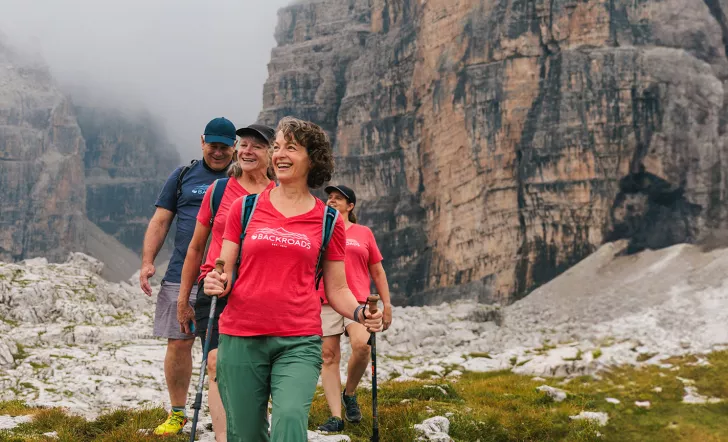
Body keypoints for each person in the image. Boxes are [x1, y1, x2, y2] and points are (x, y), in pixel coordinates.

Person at [203, 116, 384, 441]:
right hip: (241, 336)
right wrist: (215, 282)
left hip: (298, 340)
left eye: (291, 147)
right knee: (245, 435)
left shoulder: (329, 220)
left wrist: (360, 313)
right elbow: (223, 270)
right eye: (277, 147)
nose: (280, 154)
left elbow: (338, 288)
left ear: (312, 158)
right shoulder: (243, 209)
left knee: (289, 421)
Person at [177, 124, 277, 441]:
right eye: (243, 145)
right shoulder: (218, 190)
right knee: (216, 363)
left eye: (257, 146)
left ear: (272, 153)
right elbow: (196, 247)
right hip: (216, 288)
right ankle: (224, 438)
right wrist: (184, 299)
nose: (247, 151)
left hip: (262, 292)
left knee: (256, 370)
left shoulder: (280, 195)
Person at [139, 117, 236, 436]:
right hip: (181, 274)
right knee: (178, 344)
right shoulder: (182, 176)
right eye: (213, 146)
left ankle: (233, 413)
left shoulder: (243, 178)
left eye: (224, 147)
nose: (218, 153)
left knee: (229, 351)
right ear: (202, 142)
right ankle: (178, 413)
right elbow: (161, 220)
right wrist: (147, 261)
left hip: (230, 279)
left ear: (234, 147)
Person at [316, 185, 393, 432]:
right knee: (328, 356)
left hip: (357, 301)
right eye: (329, 198)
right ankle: (336, 417)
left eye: (338, 199)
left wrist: (387, 304)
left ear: (350, 206)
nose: (332, 201)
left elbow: (378, 271)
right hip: (325, 300)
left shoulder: (363, 233)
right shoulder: (320, 231)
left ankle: (349, 393)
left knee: (362, 346)